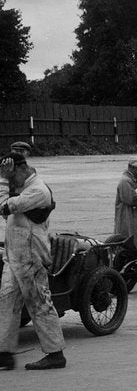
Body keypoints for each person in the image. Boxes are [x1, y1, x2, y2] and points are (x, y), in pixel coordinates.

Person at [0, 152, 66, 371]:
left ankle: (55, 353)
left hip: (30, 257)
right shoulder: (23, 188)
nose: (11, 181)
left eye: (11, 176)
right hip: (14, 257)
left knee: (39, 304)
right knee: (7, 303)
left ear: (20, 169)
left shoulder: (38, 190)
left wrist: (2, 180)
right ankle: (4, 354)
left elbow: (4, 207)